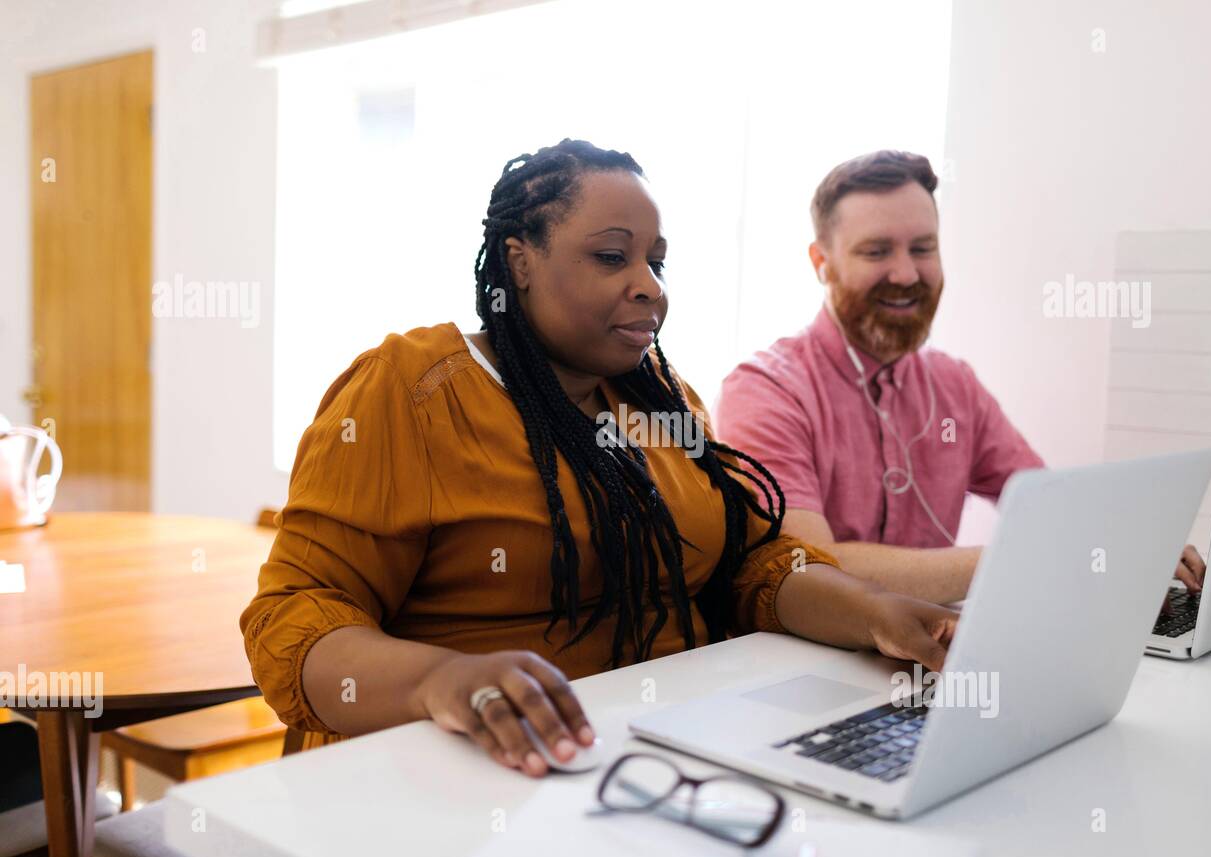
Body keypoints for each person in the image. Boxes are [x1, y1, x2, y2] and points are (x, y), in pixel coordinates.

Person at [241, 139, 959, 779]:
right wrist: (443, 681)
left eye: (658, 261)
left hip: (655, 762)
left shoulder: (663, 401)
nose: (649, 284)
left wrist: (874, 613)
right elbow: (293, 619)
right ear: (520, 261)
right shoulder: (413, 389)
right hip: (465, 774)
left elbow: (750, 569)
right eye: (612, 257)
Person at [715, 150, 1206, 605]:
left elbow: (1049, 508)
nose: (906, 274)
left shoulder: (954, 386)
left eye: (923, 248)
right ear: (822, 264)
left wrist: (1129, 543)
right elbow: (809, 568)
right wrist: (1035, 559)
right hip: (811, 668)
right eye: (877, 251)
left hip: (935, 657)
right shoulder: (764, 390)